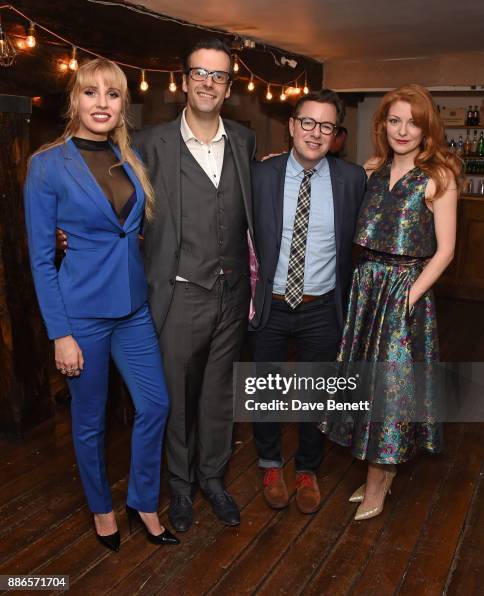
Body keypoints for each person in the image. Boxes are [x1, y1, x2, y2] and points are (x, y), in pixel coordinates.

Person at [24, 58, 179, 551]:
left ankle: (143, 500)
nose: (101, 104)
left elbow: (128, 233)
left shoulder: (128, 157)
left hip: (133, 310)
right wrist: (60, 334)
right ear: (75, 100)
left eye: (112, 95)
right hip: (81, 315)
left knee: (155, 404)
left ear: (122, 106)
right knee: (89, 421)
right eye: (91, 93)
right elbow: (42, 260)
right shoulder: (47, 165)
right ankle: (101, 508)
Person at [320, 84, 462, 520]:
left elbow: (446, 251)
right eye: (395, 120)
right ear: (382, 125)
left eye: (413, 122)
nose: (404, 129)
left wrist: (410, 297)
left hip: (404, 291)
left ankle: (378, 483)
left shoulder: (439, 177)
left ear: (426, 128)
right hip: (366, 287)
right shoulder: (372, 169)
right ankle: (376, 474)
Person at [132, 39, 256, 532]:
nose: (208, 82)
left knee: (219, 395)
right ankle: (180, 489)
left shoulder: (244, 142)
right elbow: (121, 208)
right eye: (199, 73)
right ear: (184, 81)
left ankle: (214, 480)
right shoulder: (150, 143)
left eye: (218, 75)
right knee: (177, 398)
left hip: (232, 295)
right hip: (179, 291)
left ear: (228, 87)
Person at [249, 91, 366, 513]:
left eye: (327, 126)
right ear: (293, 125)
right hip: (271, 302)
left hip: (323, 305)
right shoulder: (261, 175)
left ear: (336, 135)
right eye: (309, 123)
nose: (316, 133)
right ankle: (269, 463)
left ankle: (306, 469)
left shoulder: (353, 180)